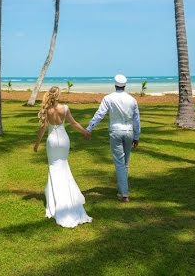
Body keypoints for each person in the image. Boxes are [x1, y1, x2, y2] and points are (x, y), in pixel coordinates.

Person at [33, 86, 93, 228]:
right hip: (64, 141)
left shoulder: (46, 110)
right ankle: (66, 197)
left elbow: (42, 129)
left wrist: (36, 144)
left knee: (54, 168)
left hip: (52, 142)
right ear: (58, 95)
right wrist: (84, 132)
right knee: (63, 167)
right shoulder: (65, 108)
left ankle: (55, 200)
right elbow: (73, 123)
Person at [86, 74, 141, 202]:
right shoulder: (132, 99)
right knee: (125, 163)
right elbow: (136, 119)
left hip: (115, 131)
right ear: (125, 85)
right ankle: (123, 190)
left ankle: (124, 194)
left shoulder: (108, 98)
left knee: (119, 163)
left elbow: (99, 114)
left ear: (115, 84)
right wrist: (137, 136)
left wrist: (89, 128)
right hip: (128, 131)